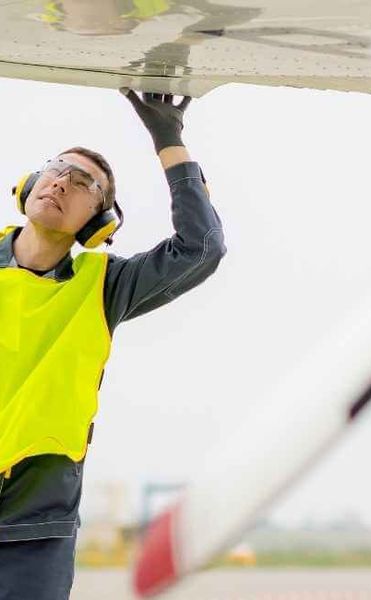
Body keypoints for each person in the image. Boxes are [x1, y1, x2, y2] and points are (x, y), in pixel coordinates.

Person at [0, 89, 226, 600]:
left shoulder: (102, 285)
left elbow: (202, 248)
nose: (61, 182)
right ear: (30, 184)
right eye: (56, 169)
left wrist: (168, 141)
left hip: (34, 528)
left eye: (83, 183)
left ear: (99, 221)